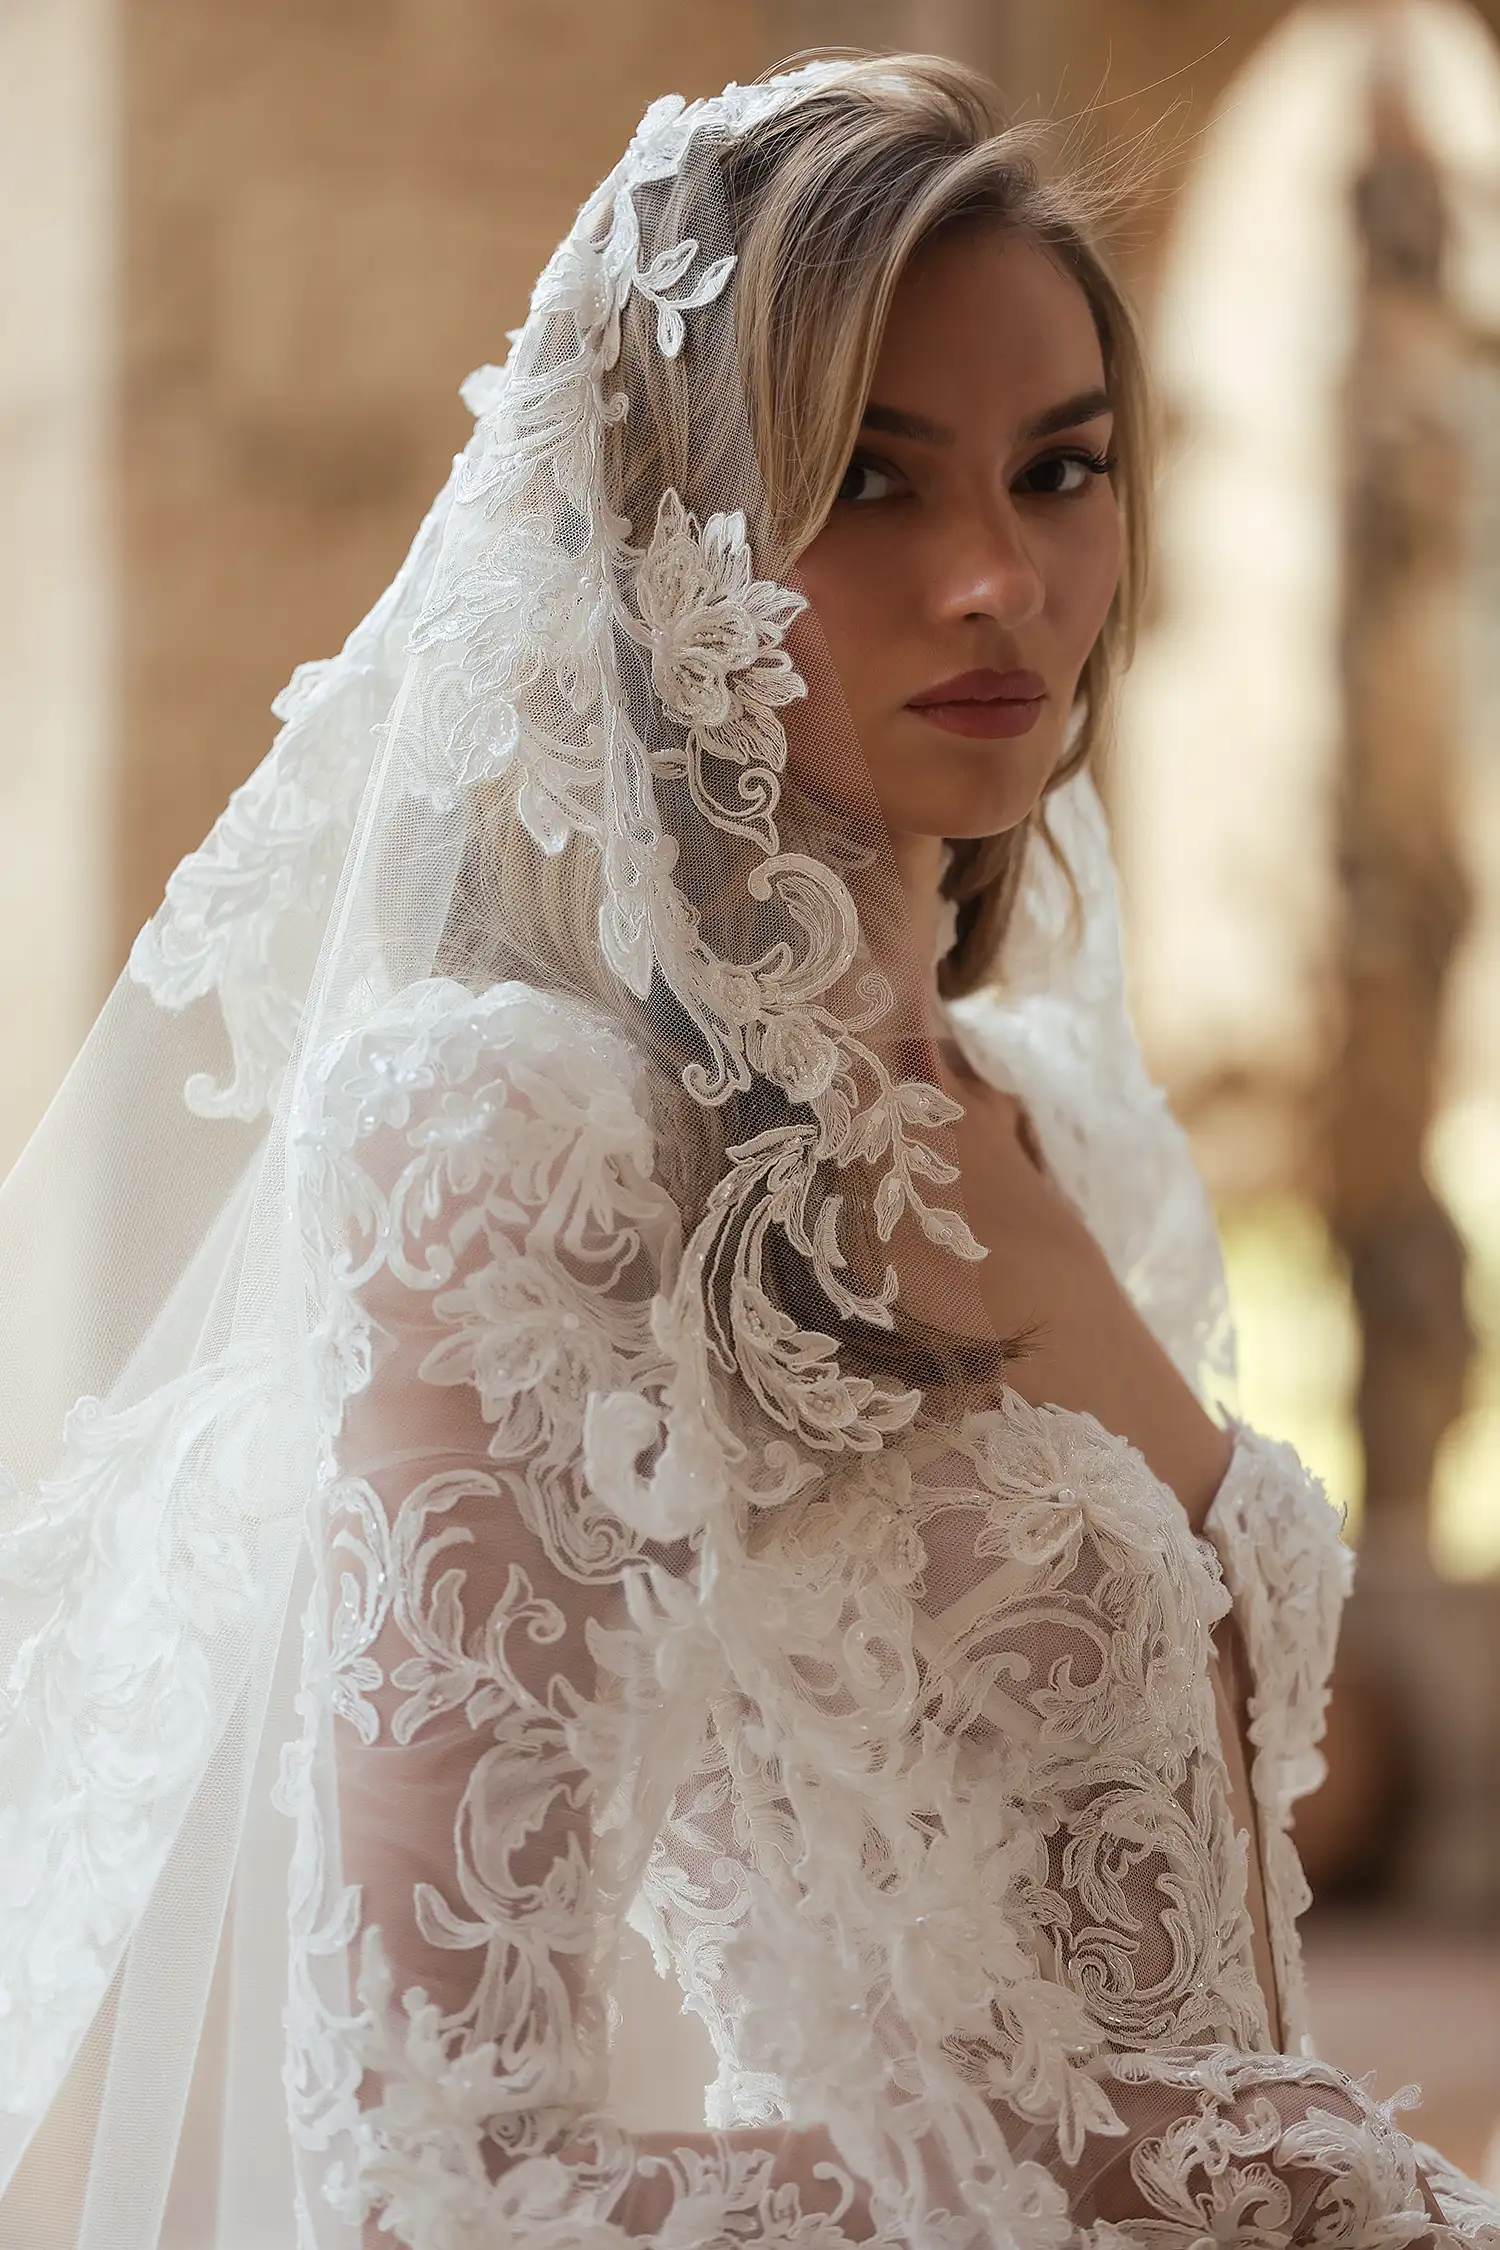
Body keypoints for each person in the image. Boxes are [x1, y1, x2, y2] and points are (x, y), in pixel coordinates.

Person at [0, 50, 1496, 2250]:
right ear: (662, 539)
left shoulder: (1066, 1124)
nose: (1000, 578)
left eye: (1060, 470)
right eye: (874, 485)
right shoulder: (529, 1145)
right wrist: (1176, 2182)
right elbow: (438, 2190)